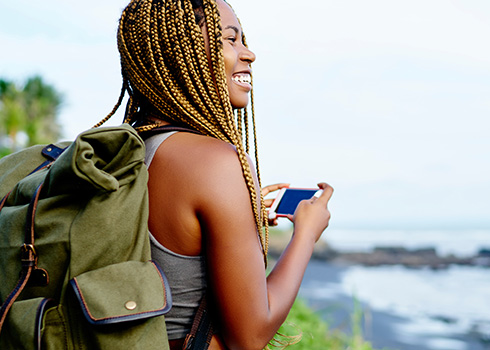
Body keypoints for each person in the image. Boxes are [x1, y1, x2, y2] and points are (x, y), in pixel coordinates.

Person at [98, 1, 334, 349]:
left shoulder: (125, 152)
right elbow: (250, 336)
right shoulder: (215, 163)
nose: (248, 53)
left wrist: (238, 215)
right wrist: (306, 234)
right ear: (182, 54)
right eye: (230, 39)